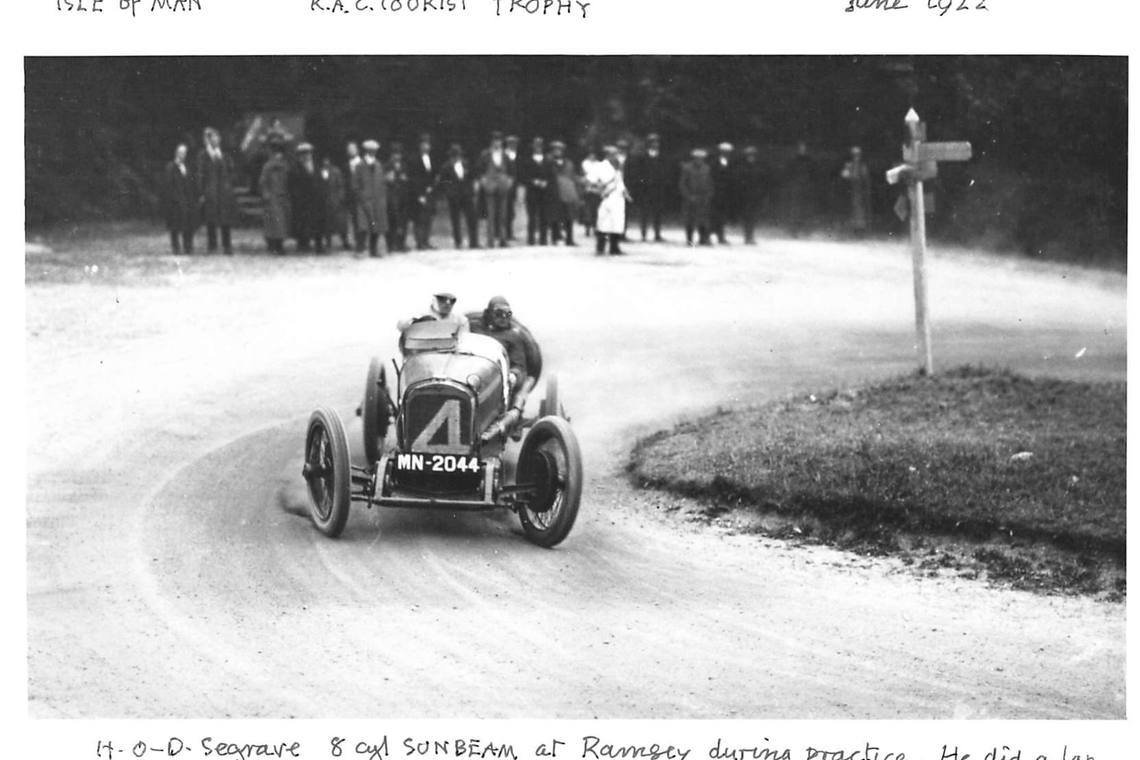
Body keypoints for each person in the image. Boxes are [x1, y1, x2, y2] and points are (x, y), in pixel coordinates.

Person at [469, 295, 529, 392]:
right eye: (498, 313)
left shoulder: (514, 336)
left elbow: (519, 366)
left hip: (496, 380)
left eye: (507, 313)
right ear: (489, 314)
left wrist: (513, 375)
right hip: (469, 375)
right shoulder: (472, 327)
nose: (503, 317)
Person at [196, 127, 238, 255]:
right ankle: (212, 245)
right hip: (211, 191)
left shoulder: (224, 155)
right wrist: (201, 192)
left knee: (226, 219)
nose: (217, 139)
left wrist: (229, 185)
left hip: (224, 191)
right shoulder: (203, 155)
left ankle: (227, 245)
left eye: (218, 137)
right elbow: (200, 174)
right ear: (209, 140)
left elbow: (232, 171)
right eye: (213, 137)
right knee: (211, 219)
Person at [626, 133, 668, 243]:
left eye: (657, 142)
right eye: (653, 142)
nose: (655, 144)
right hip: (646, 189)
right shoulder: (642, 156)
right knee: (644, 212)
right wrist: (641, 185)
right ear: (649, 144)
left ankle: (657, 234)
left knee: (658, 212)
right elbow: (638, 173)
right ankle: (644, 233)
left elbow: (664, 172)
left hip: (658, 189)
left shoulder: (662, 156)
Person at [476, 131, 514, 248]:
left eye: (498, 141)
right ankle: (490, 240)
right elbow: (479, 170)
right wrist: (483, 182)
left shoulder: (505, 155)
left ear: (501, 142)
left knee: (503, 214)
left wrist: (509, 182)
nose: (497, 143)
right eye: (495, 141)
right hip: (490, 187)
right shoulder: (485, 155)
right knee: (490, 214)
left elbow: (512, 172)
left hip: (503, 186)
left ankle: (503, 239)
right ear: (491, 142)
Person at [439, 143, 480, 249]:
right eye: (455, 155)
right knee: (455, 220)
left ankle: (474, 242)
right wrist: (450, 192)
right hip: (454, 196)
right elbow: (444, 181)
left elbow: (472, 177)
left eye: (458, 155)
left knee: (472, 218)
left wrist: (472, 190)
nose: (457, 157)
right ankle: (458, 242)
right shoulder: (446, 166)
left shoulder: (466, 164)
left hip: (467, 195)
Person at [289, 143, 326, 253]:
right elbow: (292, 184)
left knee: (318, 222)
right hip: (302, 200)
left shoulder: (317, 166)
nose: (307, 156)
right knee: (303, 222)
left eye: (309, 153)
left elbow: (321, 180)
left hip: (316, 199)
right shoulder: (295, 168)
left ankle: (319, 245)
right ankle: (303, 243)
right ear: (299, 155)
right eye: (304, 154)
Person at [353, 139, 388, 257]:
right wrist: (361, 197)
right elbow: (355, 185)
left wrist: (382, 198)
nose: (372, 153)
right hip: (365, 200)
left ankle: (374, 250)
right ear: (366, 151)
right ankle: (360, 249)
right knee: (363, 226)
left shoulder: (378, 165)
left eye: (374, 151)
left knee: (376, 226)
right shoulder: (360, 166)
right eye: (370, 151)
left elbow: (382, 182)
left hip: (377, 200)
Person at [595, 145, 630, 256]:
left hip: (618, 197)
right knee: (603, 223)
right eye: (613, 154)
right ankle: (600, 247)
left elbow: (620, 181)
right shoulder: (601, 166)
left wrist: (625, 192)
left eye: (616, 154)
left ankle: (614, 247)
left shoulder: (618, 167)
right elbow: (598, 181)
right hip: (607, 196)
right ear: (608, 155)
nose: (615, 156)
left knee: (617, 223)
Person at [258, 134, 291, 255]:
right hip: (272, 196)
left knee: (281, 223)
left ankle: (278, 244)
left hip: (282, 195)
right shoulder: (268, 166)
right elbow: (263, 181)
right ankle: (274, 244)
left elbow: (288, 180)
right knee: (274, 223)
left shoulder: (284, 165)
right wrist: (266, 194)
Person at [162, 143, 197, 255]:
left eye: (184, 153)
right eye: (181, 153)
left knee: (188, 225)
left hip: (187, 201)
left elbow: (191, 184)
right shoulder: (170, 167)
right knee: (175, 226)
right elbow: (169, 186)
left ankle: (188, 247)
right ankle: (176, 247)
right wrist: (176, 199)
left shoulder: (187, 167)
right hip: (175, 202)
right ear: (176, 153)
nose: (183, 155)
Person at [545, 140, 580, 246]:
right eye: (555, 149)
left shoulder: (569, 163)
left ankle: (569, 239)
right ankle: (555, 237)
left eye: (559, 150)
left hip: (566, 192)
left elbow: (573, 176)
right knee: (555, 215)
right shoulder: (549, 162)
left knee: (569, 216)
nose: (557, 152)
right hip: (554, 192)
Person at [407, 132, 438, 250]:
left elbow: (434, 176)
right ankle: (419, 242)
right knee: (419, 218)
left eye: (428, 144)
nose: (426, 146)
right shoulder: (414, 159)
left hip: (430, 192)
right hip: (419, 193)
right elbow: (413, 179)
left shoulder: (432, 159)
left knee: (428, 217)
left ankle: (426, 240)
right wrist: (419, 195)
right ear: (420, 145)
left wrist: (432, 188)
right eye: (424, 144)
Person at [680, 147, 714, 246]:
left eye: (701, 158)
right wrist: (688, 196)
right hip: (691, 196)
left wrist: (709, 195)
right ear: (694, 158)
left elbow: (710, 183)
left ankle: (703, 238)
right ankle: (689, 240)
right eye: (697, 158)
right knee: (689, 220)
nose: (700, 160)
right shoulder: (687, 168)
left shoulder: (706, 168)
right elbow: (682, 184)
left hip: (703, 197)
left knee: (703, 220)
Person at [520, 136, 549, 245]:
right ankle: (531, 239)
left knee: (543, 216)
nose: (538, 148)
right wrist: (533, 181)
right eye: (536, 146)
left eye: (540, 146)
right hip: (532, 192)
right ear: (533, 147)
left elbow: (550, 175)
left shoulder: (547, 160)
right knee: (532, 216)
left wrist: (546, 182)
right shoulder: (528, 161)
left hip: (544, 192)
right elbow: (524, 176)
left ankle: (543, 239)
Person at [396, 291, 471, 334]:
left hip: (449, 353)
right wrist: (415, 322)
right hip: (421, 350)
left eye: (452, 300)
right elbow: (400, 326)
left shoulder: (461, 319)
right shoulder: (419, 313)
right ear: (434, 300)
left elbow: (465, 340)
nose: (448, 303)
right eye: (442, 299)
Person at [786, 140, 817, 238]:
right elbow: (789, 174)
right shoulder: (794, 161)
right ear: (798, 150)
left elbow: (814, 174)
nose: (802, 151)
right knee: (795, 210)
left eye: (804, 149)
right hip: (796, 188)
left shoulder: (810, 161)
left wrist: (810, 185)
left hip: (807, 188)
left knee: (807, 210)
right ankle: (794, 231)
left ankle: (807, 231)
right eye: (801, 149)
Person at [738, 145, 767, 245]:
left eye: (753, 155)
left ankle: (751, 236)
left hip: (755, 196)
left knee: (753, 217)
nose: (751, 157)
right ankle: (747, 237)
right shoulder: (742, 168)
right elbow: (740, 183)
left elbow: (762, 181)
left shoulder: (758, 167)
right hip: (745, 197)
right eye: (749, 155)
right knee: (747, 217)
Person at [841, 145, 872, 237]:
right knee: (853, 210)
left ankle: (860, 230)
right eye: (854, 155)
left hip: (860, 190)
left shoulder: (863, 166)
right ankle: (854, 229)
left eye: (858, 154)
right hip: (851, 190)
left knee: (860, 211)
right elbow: (845, 175)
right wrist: (847, 170)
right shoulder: (849, 165)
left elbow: (865, 178)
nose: (856, 157)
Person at [321, 156, 350, 251]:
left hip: (336, 199)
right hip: (325, 200)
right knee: (327, 223)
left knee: (341, 223)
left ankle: (345, 241)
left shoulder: (336, 171)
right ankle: (328, 243)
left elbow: (340, 185)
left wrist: (340, 198)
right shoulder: (321, 171)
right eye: (324, 160)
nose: (326, 162)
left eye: (327, 160)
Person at [385, 145, 410, 253]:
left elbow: (407, 179)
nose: (397, 156)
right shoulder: (387, 166)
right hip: (391, 197)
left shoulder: (403, 166)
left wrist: (404, 179)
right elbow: (386, 180)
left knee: (403, 220)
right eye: (395, 154)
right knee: (393, 220)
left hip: (402, 196)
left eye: (399, 154)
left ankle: (401, 243)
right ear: (391, 155)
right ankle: (391, 244)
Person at [710, 142, 736, 244]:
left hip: (726, 193)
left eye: (728, 152)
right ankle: (710, 234)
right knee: (714, 214)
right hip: (715, 192)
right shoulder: (714, 163)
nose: (726, 154)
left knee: (723, 215)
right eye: (724, 152)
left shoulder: (731, 163)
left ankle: (721, 236)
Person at [580, 145, 603, 237]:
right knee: (587, 210)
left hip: (596, 188)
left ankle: (595, 228)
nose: (592, 156)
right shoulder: (585, 163)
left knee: (596, 210)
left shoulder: (599, 164)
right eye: (591, 155)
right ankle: (587, 229)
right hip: (588, 188)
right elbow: (584, 175)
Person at [503, 135, 520, 241]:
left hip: (514, 186)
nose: (513, 145)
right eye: (511, 143)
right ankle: (500, 232)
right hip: (504, 185)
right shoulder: (503, 155)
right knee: (502, 209)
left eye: (514, 144)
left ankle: (509, 232)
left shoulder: (518, 156)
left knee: (510, 210)